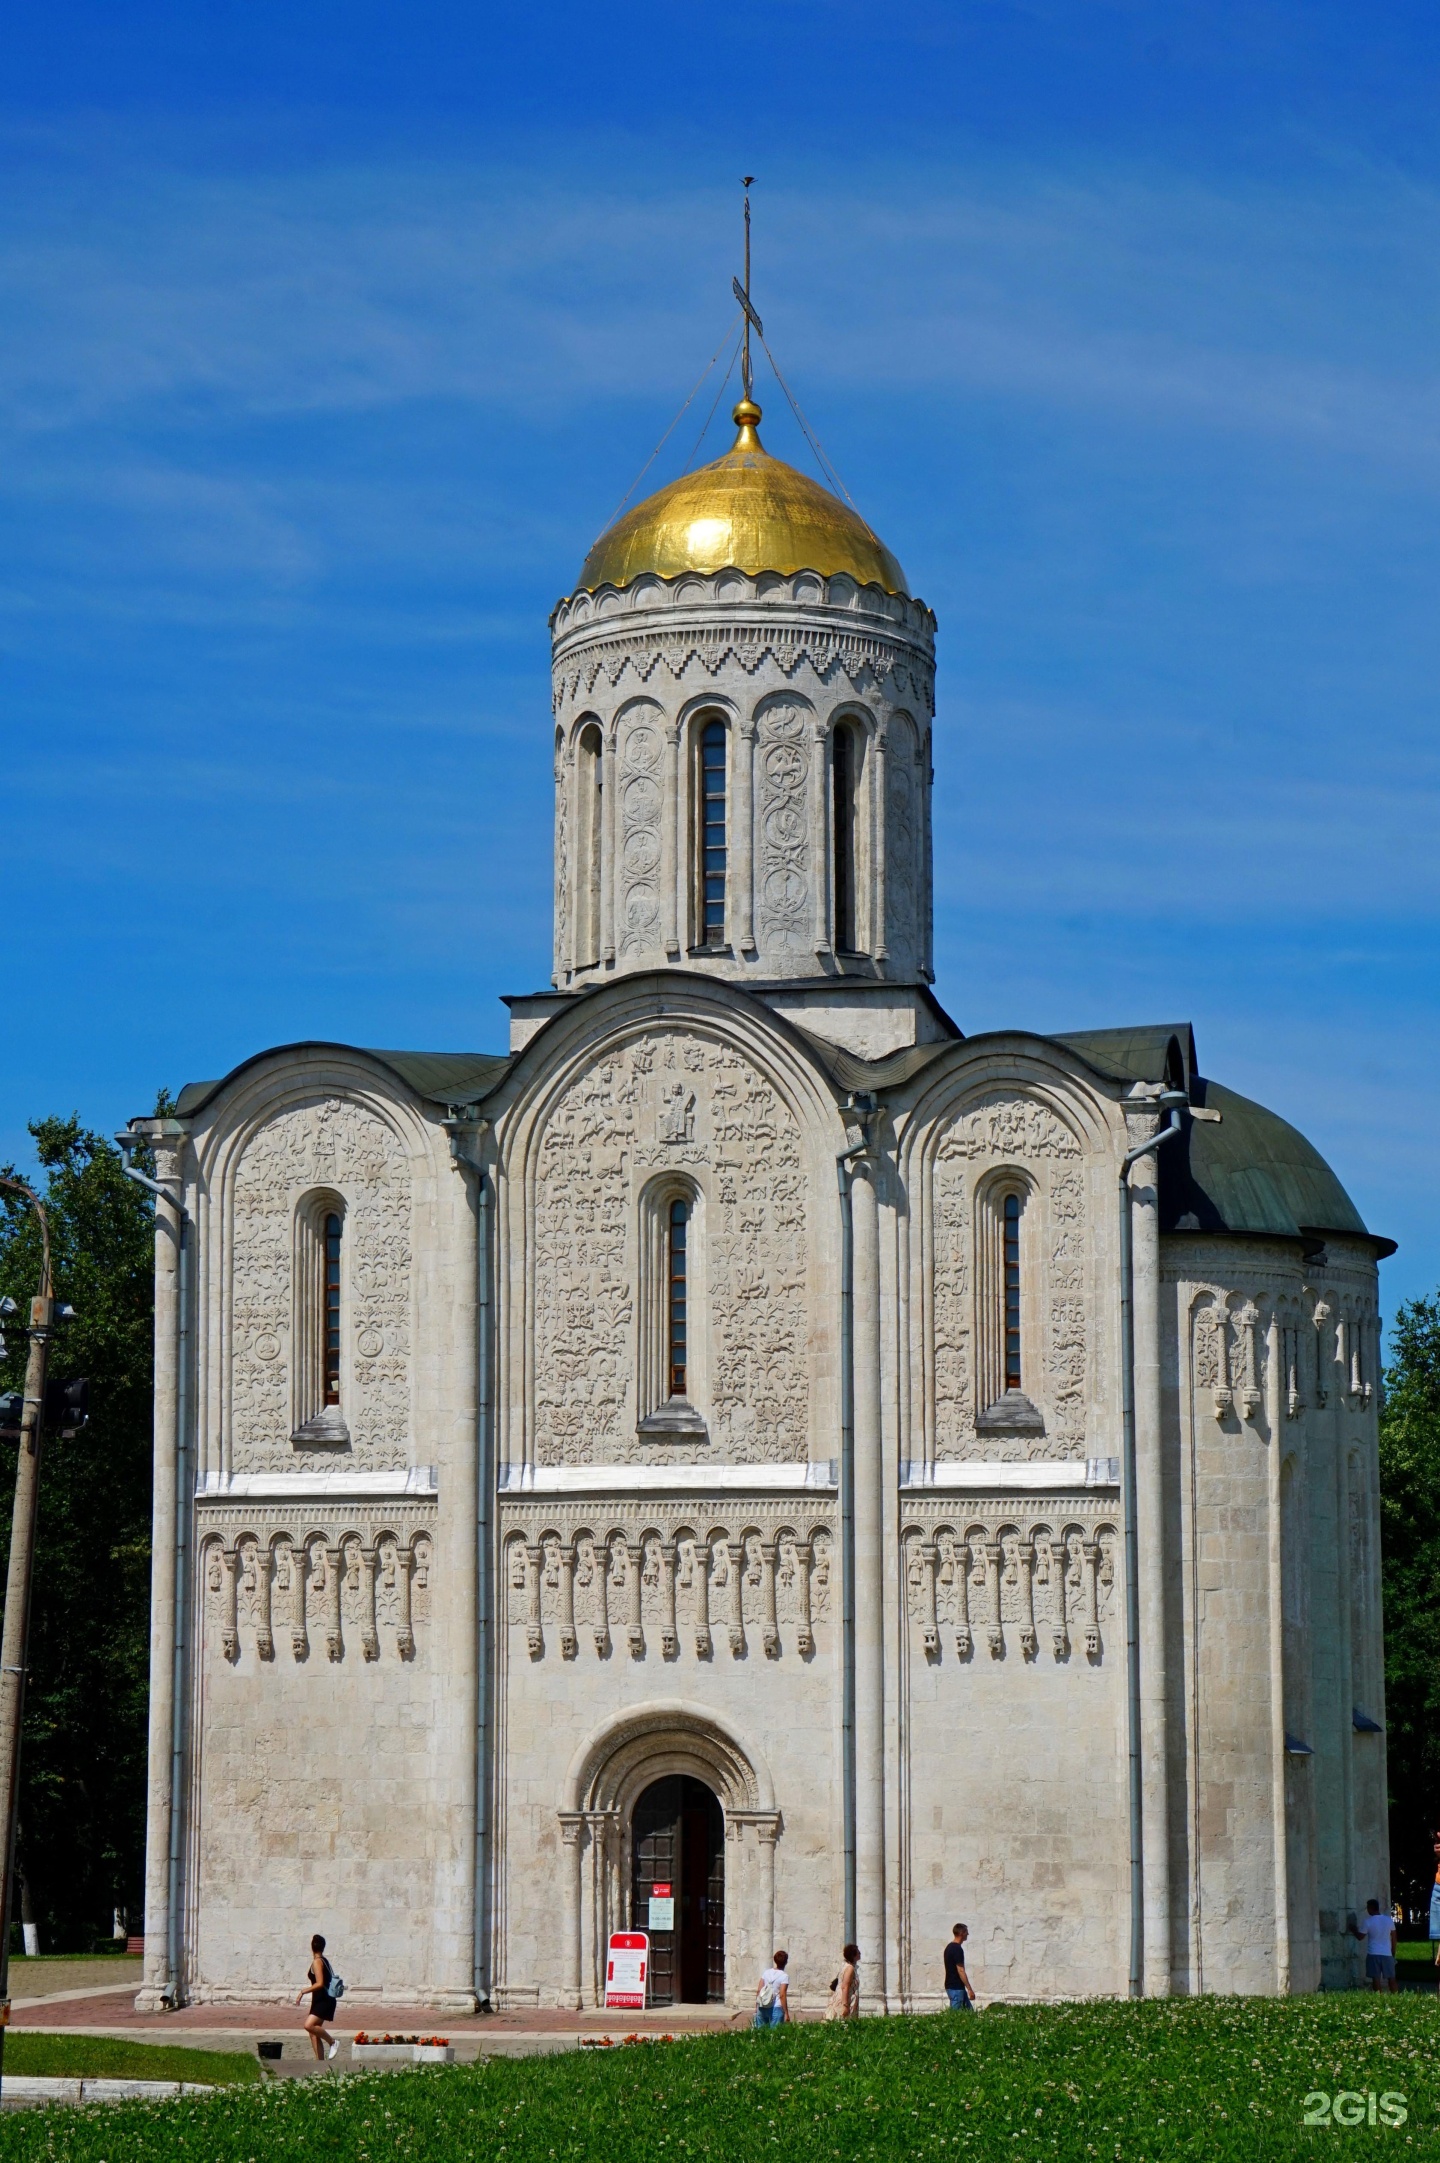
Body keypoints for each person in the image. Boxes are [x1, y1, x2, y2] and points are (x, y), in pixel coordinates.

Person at [296, 1932, 340, 2059]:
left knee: (308, 2025)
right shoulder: (324, 1961)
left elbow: (320, 1983)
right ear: (323, 1947)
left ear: (312, 1947)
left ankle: (332, 2042)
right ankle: (320, 2063)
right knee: (313, 2032)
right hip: (321, 1999)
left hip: (323, 2000)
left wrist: (303, 1991)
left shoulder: (317, 1962)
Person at [1351, 1900, 1397, 1994]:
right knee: (1391, 1977)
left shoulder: (1368, 1922)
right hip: (1387, 1954)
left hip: (1373, 1953)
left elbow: (1360, 1937)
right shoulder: (1388, 1920)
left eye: (1368, 1908)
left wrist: (1353, 1930)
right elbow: (1394, 1937)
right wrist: (1393, 1951)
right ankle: (1395, 1997)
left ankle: (1378, 1998)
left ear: (1370, 1908)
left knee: (1375, 1978)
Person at [754, 1948, 790, 2027]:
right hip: (776, 2007)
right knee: (774, 2035)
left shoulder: (766, 1972)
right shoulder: (784, 1976)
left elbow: (759, 1990)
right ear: (786, 1962)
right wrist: (786, 2013)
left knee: (760, 2034)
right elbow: (782, 1995)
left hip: (762, 2006)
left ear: (775, 1961)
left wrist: (756, 2007)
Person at [943, 1923, 975, 2010]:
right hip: (956, 1987)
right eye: (966, 1932)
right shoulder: (957, 1949)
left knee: (970, 2014)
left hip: (956, 1987)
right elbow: (960, 1970)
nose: (968, 1934)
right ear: (962, 1933)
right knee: (955, 2015)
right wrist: (969, 1989)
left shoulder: (949, 1947)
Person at [826, 1942, 860, 2021]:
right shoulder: (850, 1968)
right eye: (858, 1952)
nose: (860, 1953)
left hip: (846, 1999)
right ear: (853, 1955)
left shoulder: (846, 1965)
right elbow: (845, 1986)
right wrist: (845, 2005)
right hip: (846, 2000)